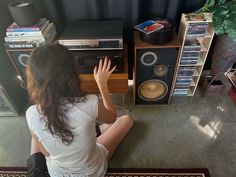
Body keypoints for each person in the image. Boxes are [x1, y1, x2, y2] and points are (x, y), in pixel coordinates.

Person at [25, 43, 133, 177]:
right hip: (92, 171)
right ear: (72, 72)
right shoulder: (89, 102)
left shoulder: (31, 113)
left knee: (35, 132)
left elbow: (46, 154)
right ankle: (90, 131)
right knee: (126, 120)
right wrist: (102, 85)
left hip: (57, 173)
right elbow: (112, 118)